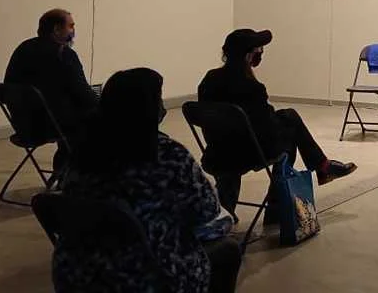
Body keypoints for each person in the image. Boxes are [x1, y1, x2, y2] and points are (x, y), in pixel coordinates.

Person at [55, 67, 240, 293]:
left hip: (78, 274)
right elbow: (207, 211)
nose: (163, 107)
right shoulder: (168, 155)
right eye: (158, 100)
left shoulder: (82, 153)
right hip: (143, 276)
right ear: (149, 109)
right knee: (228, 247)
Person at [196, 28, 357, 213]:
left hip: (216, 152)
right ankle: (278, 205)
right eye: (259, 50)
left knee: (288, 116)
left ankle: (322, 167)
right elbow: (267, 130)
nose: (261, 54)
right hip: (245, 153)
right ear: (248, 56)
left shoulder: (210, 79)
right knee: (289, 138)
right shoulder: (251, 88)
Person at [4, 9, 98, 157]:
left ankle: (65, 161)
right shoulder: (64, 55)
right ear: (56, 29)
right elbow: (83, 93)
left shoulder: (24, 49)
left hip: (25, 126)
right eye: (71, 26)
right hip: (53, 126)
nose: (73, 31)